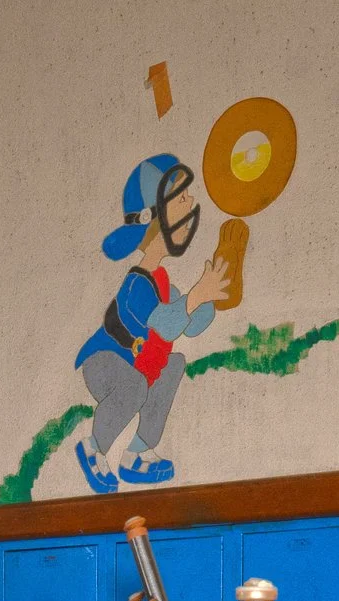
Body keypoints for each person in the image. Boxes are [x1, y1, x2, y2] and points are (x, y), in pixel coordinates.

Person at [71, 155, 232, 493]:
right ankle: (93, 448)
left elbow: (189, 326)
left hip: (139, 367)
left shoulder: (163, 284)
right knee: (134, 388)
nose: (189, 205)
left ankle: (137, 454)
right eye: (180, 198)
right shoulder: (137, 285)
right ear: (153, 218)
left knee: (174, 364)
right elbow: (167, 324)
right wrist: (195, 296)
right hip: (104, 363)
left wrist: (210, 295)